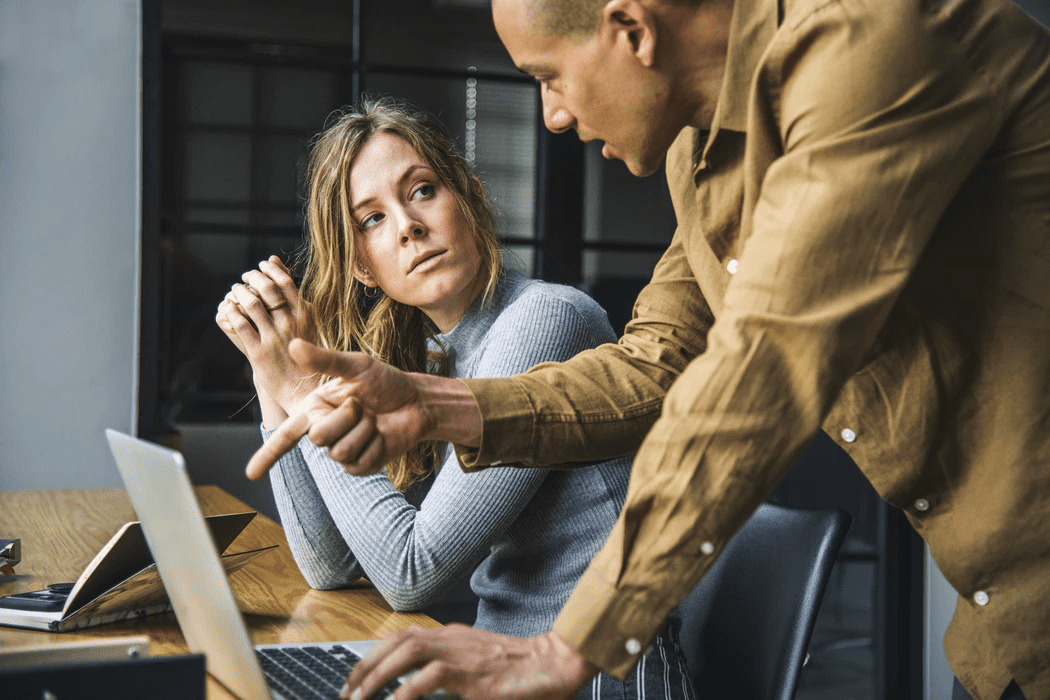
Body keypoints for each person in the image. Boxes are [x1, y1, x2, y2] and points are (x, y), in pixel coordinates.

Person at [247, 1, 1050, 699]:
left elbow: (762, 367)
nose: (553, 115)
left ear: (630, 28)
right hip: (1000, 628)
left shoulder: (867, 48)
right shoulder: (698, 158)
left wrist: (573, 646)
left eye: (547, 76)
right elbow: (652, 367)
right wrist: (430, 404)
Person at [216, 96, 696, 700]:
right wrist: (272, 375)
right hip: (501, 674)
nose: (408, 226)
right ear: (364, 267)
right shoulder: (437, 354)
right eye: (372, 220)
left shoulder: (545, 320)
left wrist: (304, 390)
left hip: (596, 680)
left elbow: (409, 573)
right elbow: (330, 568)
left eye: (420, 191)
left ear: (469, 197)